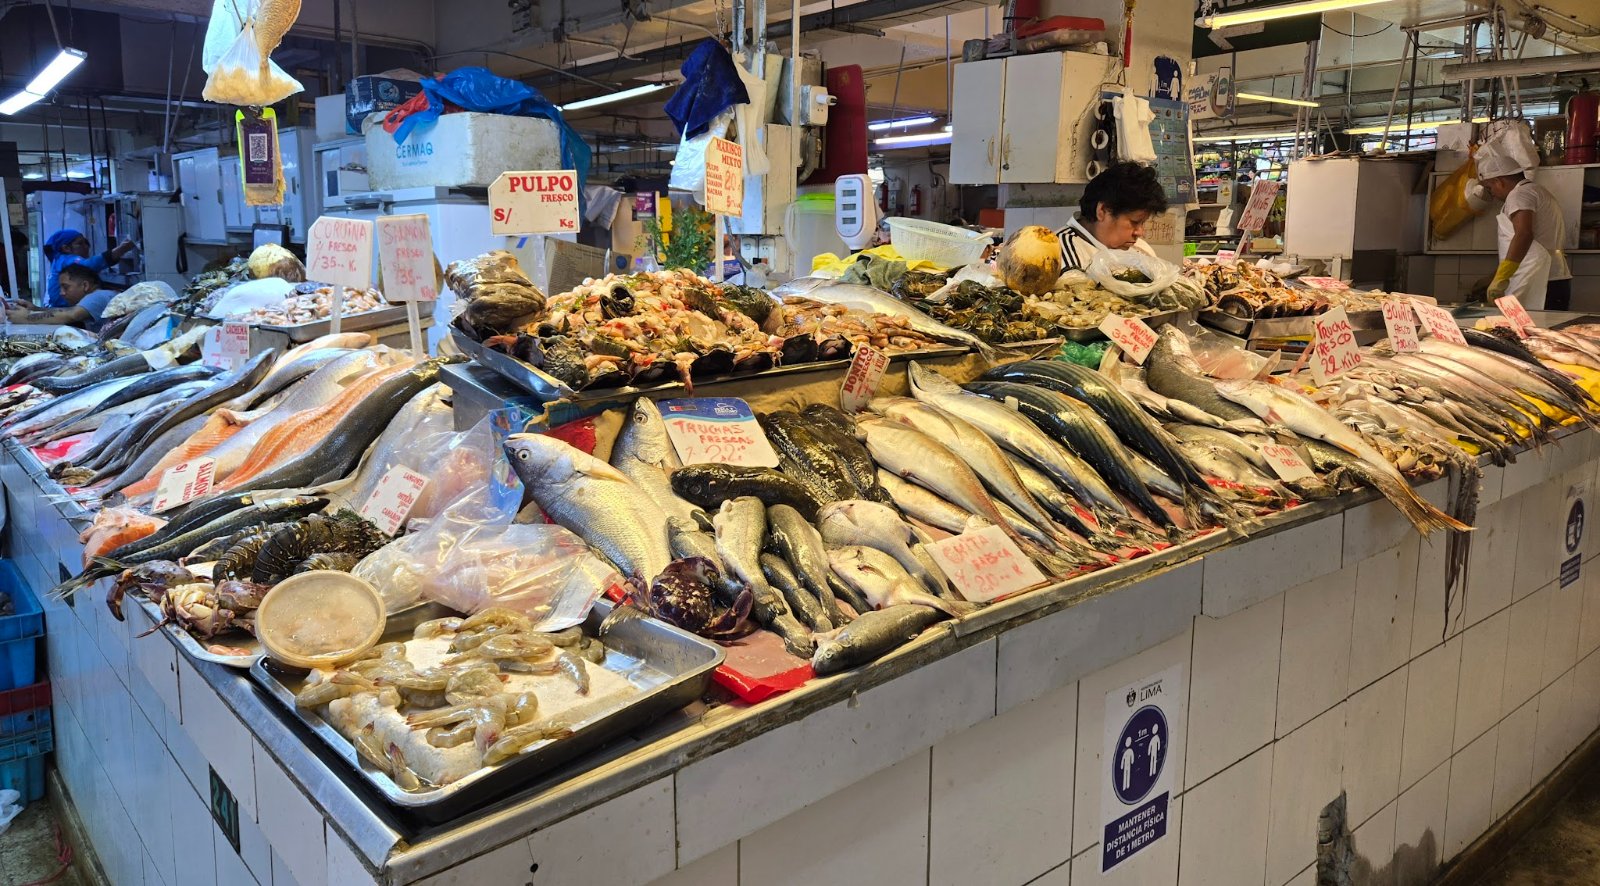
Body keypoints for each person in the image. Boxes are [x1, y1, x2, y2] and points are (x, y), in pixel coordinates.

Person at [1477, 148, 1569, 310]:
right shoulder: (1538, 191)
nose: (1493, 194)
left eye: (1490, 188)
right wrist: (1493, 276)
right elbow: (1529, 246)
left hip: (1539, 280)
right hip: (1553, 277)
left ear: (1499, 181)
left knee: (1531, 331)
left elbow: (1524, 234)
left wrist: (1502, 276)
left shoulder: (1519, 195)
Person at [1057, 161, 1169, 271]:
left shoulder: (1140, 249)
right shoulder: (1060, 253)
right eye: (1134, 222)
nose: (1140, 233)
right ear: (1102, 211)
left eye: (1142, 223)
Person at [41, 229, 134, 308]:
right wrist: (123, 248)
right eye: (80, 244)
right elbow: (88, 266)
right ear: (66, 248)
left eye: (86, 242)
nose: (86, 247)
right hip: (64, 309)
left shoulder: (58, 261)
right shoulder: (65, 259)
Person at [10, 263, 116, 330]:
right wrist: (36, 309)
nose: (62, 293)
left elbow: (71, 315)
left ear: (85, 285)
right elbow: (68, 311)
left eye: (65, 287)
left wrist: (27, 317)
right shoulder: (99, 296)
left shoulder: (98, 296)